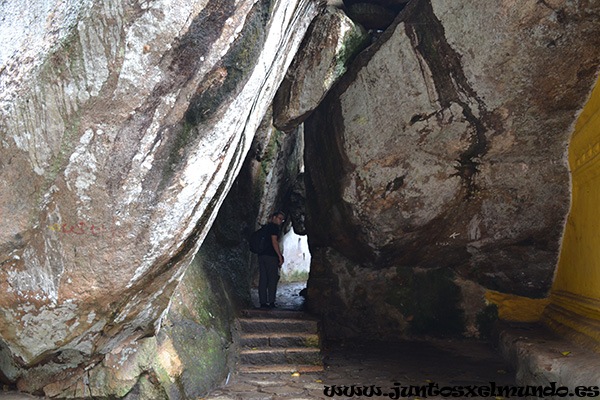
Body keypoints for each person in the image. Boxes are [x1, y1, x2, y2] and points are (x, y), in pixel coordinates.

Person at [258, 211, 285, 308]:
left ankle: (263, 302)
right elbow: (274, 241)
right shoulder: (274, 228)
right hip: (270, 257)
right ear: (274, 217)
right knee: (272, 279)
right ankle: (271, 302)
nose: (281, 221)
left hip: (261, 256)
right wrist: (279, 256)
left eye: (282, 219)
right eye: (280, 218)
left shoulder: (265, 227)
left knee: (263, 279)